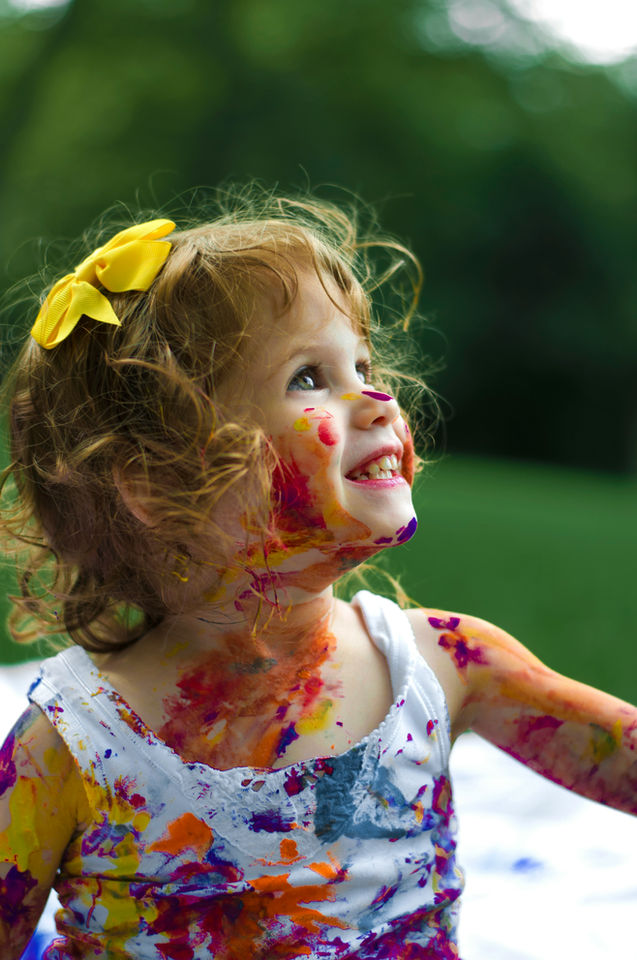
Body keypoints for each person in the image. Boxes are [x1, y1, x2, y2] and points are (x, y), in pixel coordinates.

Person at [0, 189, 635, 960]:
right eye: (308, 376)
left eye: (362, 364)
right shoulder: (77, 741)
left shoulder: (443, 665)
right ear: (156, 483)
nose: (376, 398)